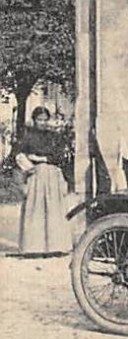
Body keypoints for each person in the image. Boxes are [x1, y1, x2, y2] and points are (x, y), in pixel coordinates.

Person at [14, 106, 72, 256]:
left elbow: (60, 157)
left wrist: (41, 158)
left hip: (52, 174)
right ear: (34, 120)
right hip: (36, 175)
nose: (43, 123)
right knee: (36, 210)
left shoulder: (54, 137)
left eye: (45, 119)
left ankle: (55, 246)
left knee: (53, 210)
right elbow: (19, 155)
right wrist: (27, 164)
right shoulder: (28, 136)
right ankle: (34, 247)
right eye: (40, 120)